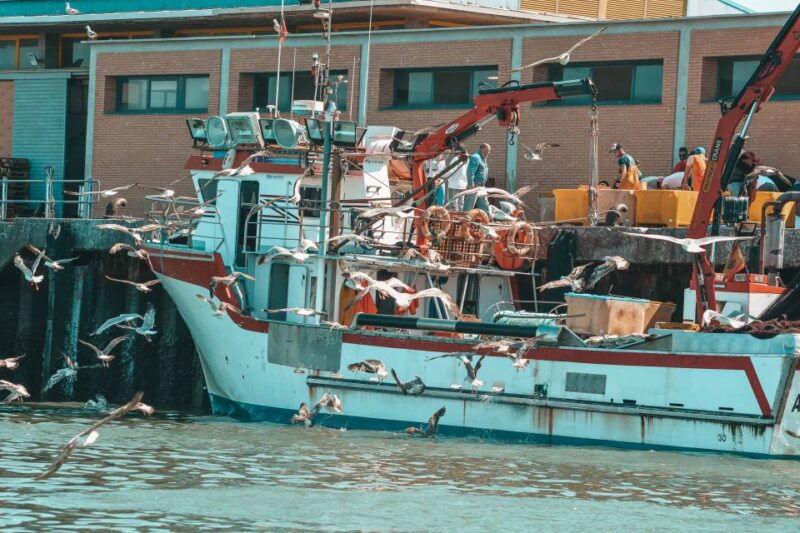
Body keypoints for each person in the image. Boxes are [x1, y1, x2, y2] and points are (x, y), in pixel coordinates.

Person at [465, 143, 491, 212]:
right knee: (469, 205)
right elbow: (470, 172)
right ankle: (464, 218)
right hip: (475, 185)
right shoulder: (476, 157)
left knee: (484, 205)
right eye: (487, 150)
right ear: (482, 149)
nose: (489, 152)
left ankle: (487, 219)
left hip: (481, 186)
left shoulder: (483, 159)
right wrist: (471, 184)